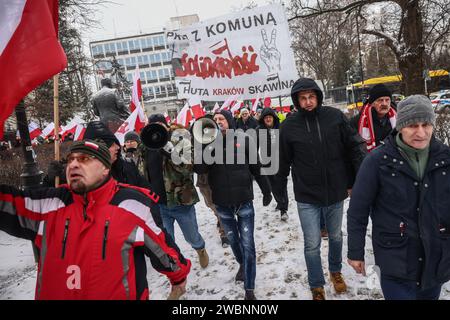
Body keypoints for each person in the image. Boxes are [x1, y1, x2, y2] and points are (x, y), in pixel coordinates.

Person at [0, 139, 190, 299]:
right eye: (70, 160)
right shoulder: (49, 204)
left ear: (105, 169)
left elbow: (162, 249)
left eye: (84, 159)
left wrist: (178, 276)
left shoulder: (131, 204)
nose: (73, 164)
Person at [347, 95, 450, 300]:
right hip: (396, 261)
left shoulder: (445, 158)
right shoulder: (377, 161)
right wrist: (355, 251)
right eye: (412, 125)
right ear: (401, 126)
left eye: (425, 124)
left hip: (435, 259)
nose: (421, 132)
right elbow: (358, 209)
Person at [278, 78, 366, 300]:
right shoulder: (289, 126)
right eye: (303, 98)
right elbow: (282, 162)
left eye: (311, 97)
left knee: (336, 236)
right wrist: (279, 194)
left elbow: (354, 146)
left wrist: (357, 179)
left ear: (318, 96)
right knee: (312, 244)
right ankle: (316, 283)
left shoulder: (335, 117)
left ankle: (335, 272)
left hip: (336, 192)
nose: (308, 102)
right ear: (297, 101)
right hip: (307, 195)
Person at [195, 110, 272, 300]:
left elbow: (256, 166)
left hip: (244, 200)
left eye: (221, 119)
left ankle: (249, 288)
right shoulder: (208, 144)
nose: (218, 122)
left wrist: (266, 190)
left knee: (248, 244)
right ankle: (243, 265)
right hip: (222, 203)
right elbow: (200, 169)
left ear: (229, 121)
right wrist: (203, 145)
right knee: (235, 242)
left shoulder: (244, 139)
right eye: (215, 120)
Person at [139, 114, 209, 269]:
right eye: (153, 125)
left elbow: (188, 168)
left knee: (191, 236)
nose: (157, 128)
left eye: (160, 124)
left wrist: (168, 149)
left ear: (167, 125)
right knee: (166, 240)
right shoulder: (146, 146)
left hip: (180, 201)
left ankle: (200, 249)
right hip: (158, 204)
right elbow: (142, 172)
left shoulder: (180, 141)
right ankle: (176, 269)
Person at [83, 121, 149, 189]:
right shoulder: (81, 175)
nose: (117, 147)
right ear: (100, 149)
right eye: (112, 145)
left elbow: (147, 191)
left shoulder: (129, 165)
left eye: (132, 141)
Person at [256, 107, 289, 221]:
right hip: (266, 163)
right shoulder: (258, 130)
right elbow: (253, 147)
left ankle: (283, 209)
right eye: (266, 117)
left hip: (281, 163)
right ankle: (280, 202)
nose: (268, 119)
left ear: (274, 118)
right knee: (273, 186)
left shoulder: (281, 128)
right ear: (263, 119)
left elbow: (288, 144)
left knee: (282, 186)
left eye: (270, 117)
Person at [350, 84, 397, 152]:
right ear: (372, 103)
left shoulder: (398, 118)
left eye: (387, 100)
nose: (384, 104)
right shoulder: (357, 122)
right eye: (380, 100)